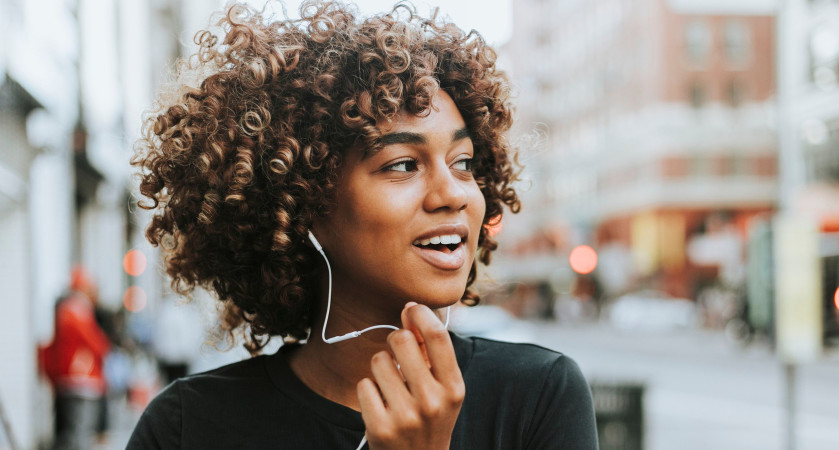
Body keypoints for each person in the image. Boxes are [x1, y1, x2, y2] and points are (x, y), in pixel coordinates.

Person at [127, 1, 599, 449]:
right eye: (402, 165)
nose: (453, 193)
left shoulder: (538, 398)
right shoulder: (189, 428)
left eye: (464, 162)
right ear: (303, 203)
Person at [39, 267, 112, 450]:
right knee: (79, 431)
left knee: (74, 431)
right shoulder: (76, 310)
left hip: (70, 379)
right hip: (81, 379)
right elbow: (97, 344)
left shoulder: (67, 309)